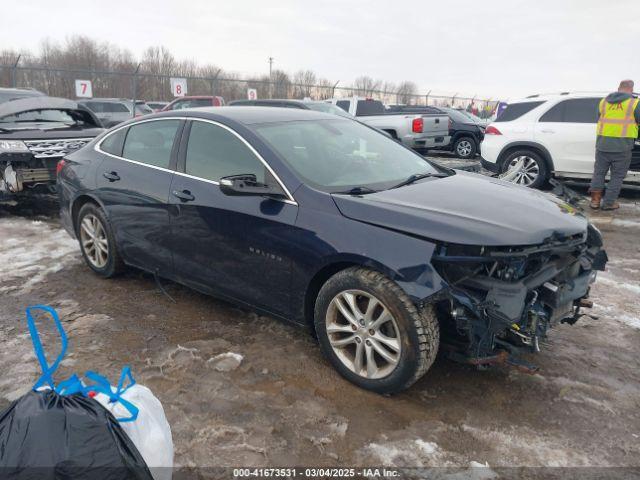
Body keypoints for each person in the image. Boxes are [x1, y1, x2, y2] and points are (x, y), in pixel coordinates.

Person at [590, 79, 640, 210]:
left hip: (602, 145)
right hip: (622, 147)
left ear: (619, 88)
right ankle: (608, 203)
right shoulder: (634, 103)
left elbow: (599, 118)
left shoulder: (604, 101)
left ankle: (595, 201)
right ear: (631, 89)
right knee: (617, 176)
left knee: (599, 173)